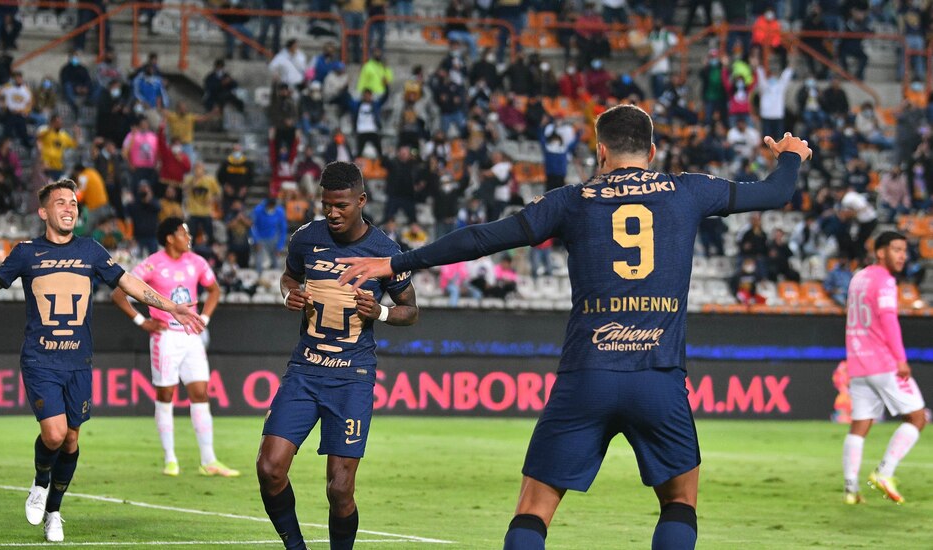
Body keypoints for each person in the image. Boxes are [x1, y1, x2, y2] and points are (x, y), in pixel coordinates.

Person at [335, 105, 811, 550]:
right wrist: (790, 155)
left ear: (600, 151)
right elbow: (776, 192)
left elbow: (482, 238)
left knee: (533, 510)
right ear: (652, 151)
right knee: (679, 501)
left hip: (587, 375)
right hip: (658, 375)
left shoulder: (572, 200)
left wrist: (397, 262)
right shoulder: (689, 190)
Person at [0, 179, 204, 543]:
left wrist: (171, 306)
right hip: (40, 359)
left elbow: (129, 283)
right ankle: (39, 483)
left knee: (71, 440)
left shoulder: (90, 250)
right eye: (61, 202)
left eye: (73, 203)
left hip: (79, 361)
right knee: (54, 433)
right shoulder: (26, 252)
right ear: (43, 211)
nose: (69, 208)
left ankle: (54, 512)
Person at [257, 161, 419, 550]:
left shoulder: (385, 251)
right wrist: (288, 294)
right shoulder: (305, 239)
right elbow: (289, 277)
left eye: (341, 205)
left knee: (340, 488)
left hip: (352, 377)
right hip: (305, 370)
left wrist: (379, 312)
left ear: (361, 200)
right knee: (269, 468)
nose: (332, 212)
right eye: (326, 204)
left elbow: (410, 310)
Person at [111, 217, 239, 478]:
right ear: (170, 238)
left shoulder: (197, 262)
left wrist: (204, 319)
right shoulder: (153, 264)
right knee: (166, 394)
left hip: (191, 336)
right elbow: (119, 293)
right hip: (165, 337)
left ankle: (209, 460)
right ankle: (170, 458)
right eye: (183, 233)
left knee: (200, 393)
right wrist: (142, 321)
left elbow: (214, 290)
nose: (188, 238)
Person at [841, 231, 927, 505]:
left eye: (904, 250)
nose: (902, 256)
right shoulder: (885, 281)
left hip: (858, 361)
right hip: (883, 362)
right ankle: (884, 472)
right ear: (880, 252)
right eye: (896, 249)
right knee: (918, 417)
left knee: (860, 424)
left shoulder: (858, 278)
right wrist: (900, 358)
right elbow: (888, 320)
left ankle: (851, 490)